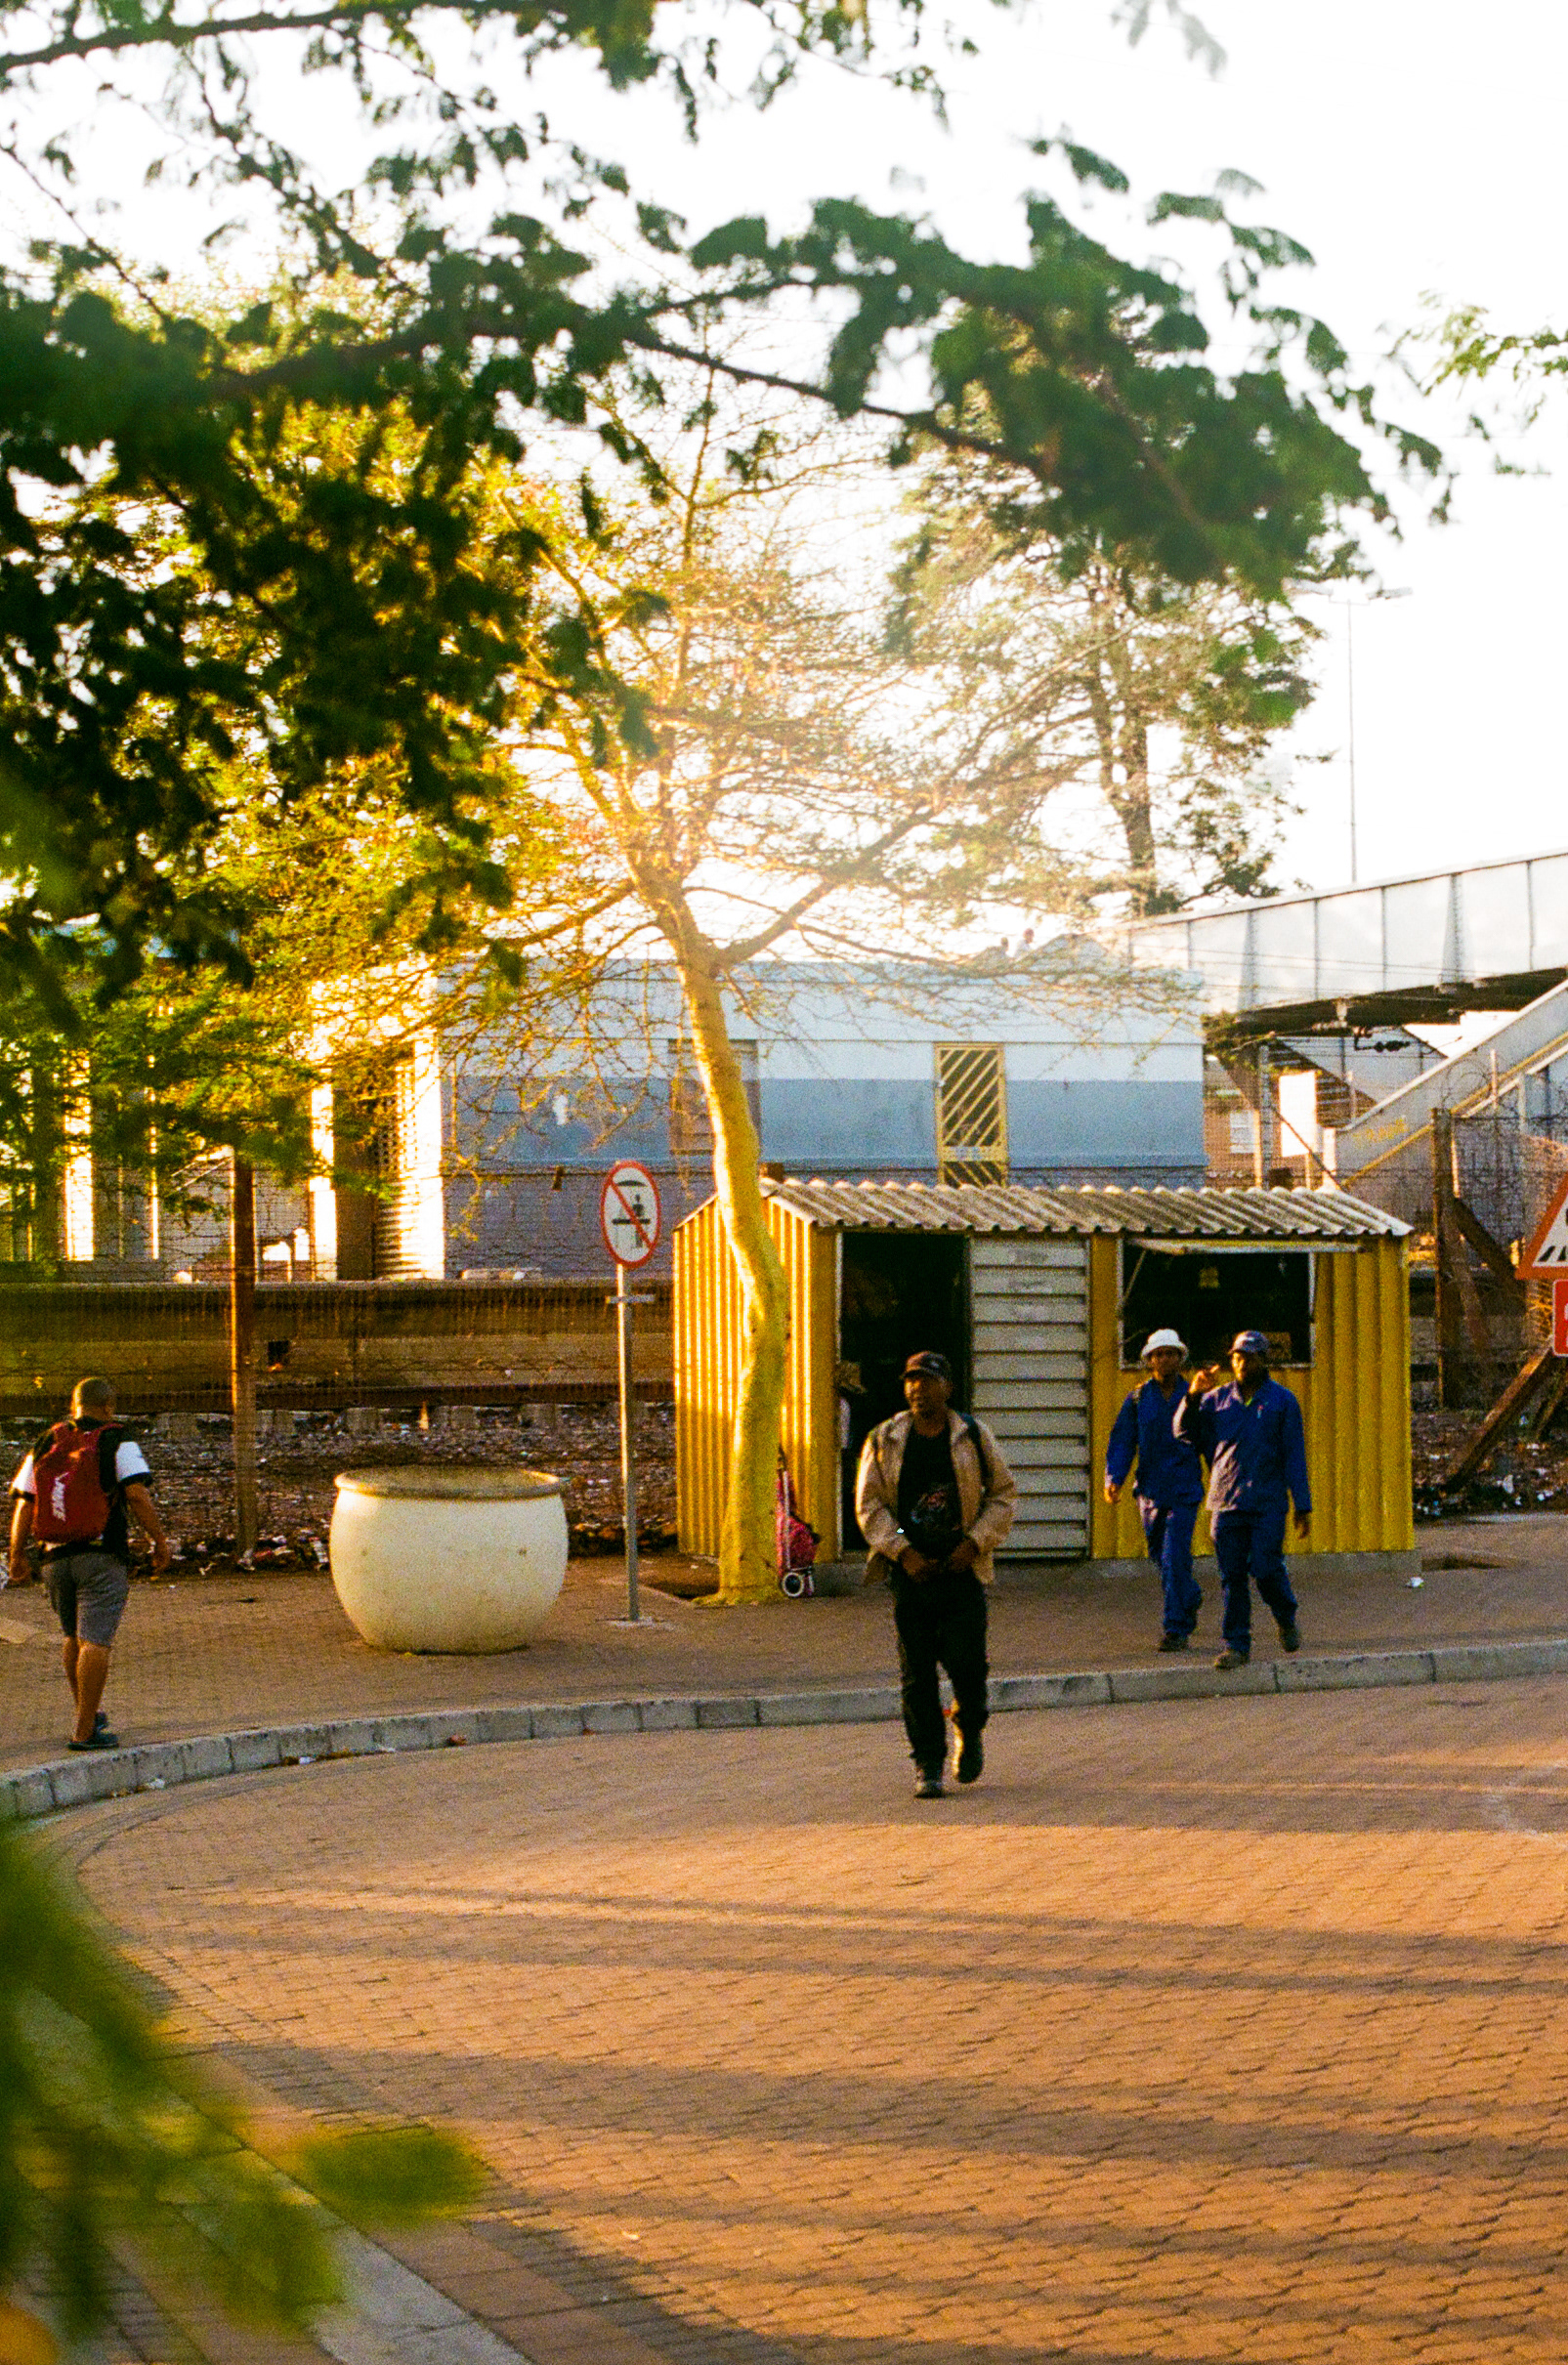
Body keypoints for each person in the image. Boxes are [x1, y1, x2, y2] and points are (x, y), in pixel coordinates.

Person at [857, 1350, 1016, 1798]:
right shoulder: (885, 1438)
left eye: (926, 1381)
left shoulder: (972, 1435)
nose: (917, 1390)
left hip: (960, 1570)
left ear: (947, 1387)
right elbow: (871, 1505)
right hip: (912, 1574)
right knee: (917, 1674)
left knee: (969, 1668)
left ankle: (970, 1727)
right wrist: (902, 1550)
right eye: (911, 1382)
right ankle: (928, 1762)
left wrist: (974, 1542)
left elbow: (1003, 1495)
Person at [6, 1376, 171, 1750]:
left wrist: (16, 1553)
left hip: (54, 1557)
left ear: (74, 1404)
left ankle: (88, 1712)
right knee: (95, 1640)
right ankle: (84, 1731)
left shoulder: (47, 1440)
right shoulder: (118, 1439)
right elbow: (137, 1494)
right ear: (109, 1406)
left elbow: (24, 1501)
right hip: (100, 1555)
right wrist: (159, 1541)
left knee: (72, 1638)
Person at [1176, 1330, 1309, 1671]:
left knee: (1265, 1567)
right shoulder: (1216, 1400)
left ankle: (1285, 1615)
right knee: (1232, 1576)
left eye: (1249, 1357)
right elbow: (1183, 1431)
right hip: (1226, 1501)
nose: (1241, 1364)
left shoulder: (1282, 1401)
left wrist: (1302, 1505)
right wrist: (1192, 1396)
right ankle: (1236, 1644)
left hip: (1267, 1502)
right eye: (1237, 1357)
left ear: (1264, 1360)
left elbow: (1294, 1455)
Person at [1103, 1327, 1205, 1652]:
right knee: (1160, 1556)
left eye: (1170, 1354)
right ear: (1149, 1360)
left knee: (1175, 1556)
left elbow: (1209, 1440)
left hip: (1184, 1490)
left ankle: (1176, 1628)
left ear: (1180, 1358)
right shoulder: (1137, 1399)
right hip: (1149, 1491)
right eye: (1158, 1355)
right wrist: (1114, 1478)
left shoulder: (1195, 1397)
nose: (1164, 1359)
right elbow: (1122, 1440)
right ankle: (1189, 1595)